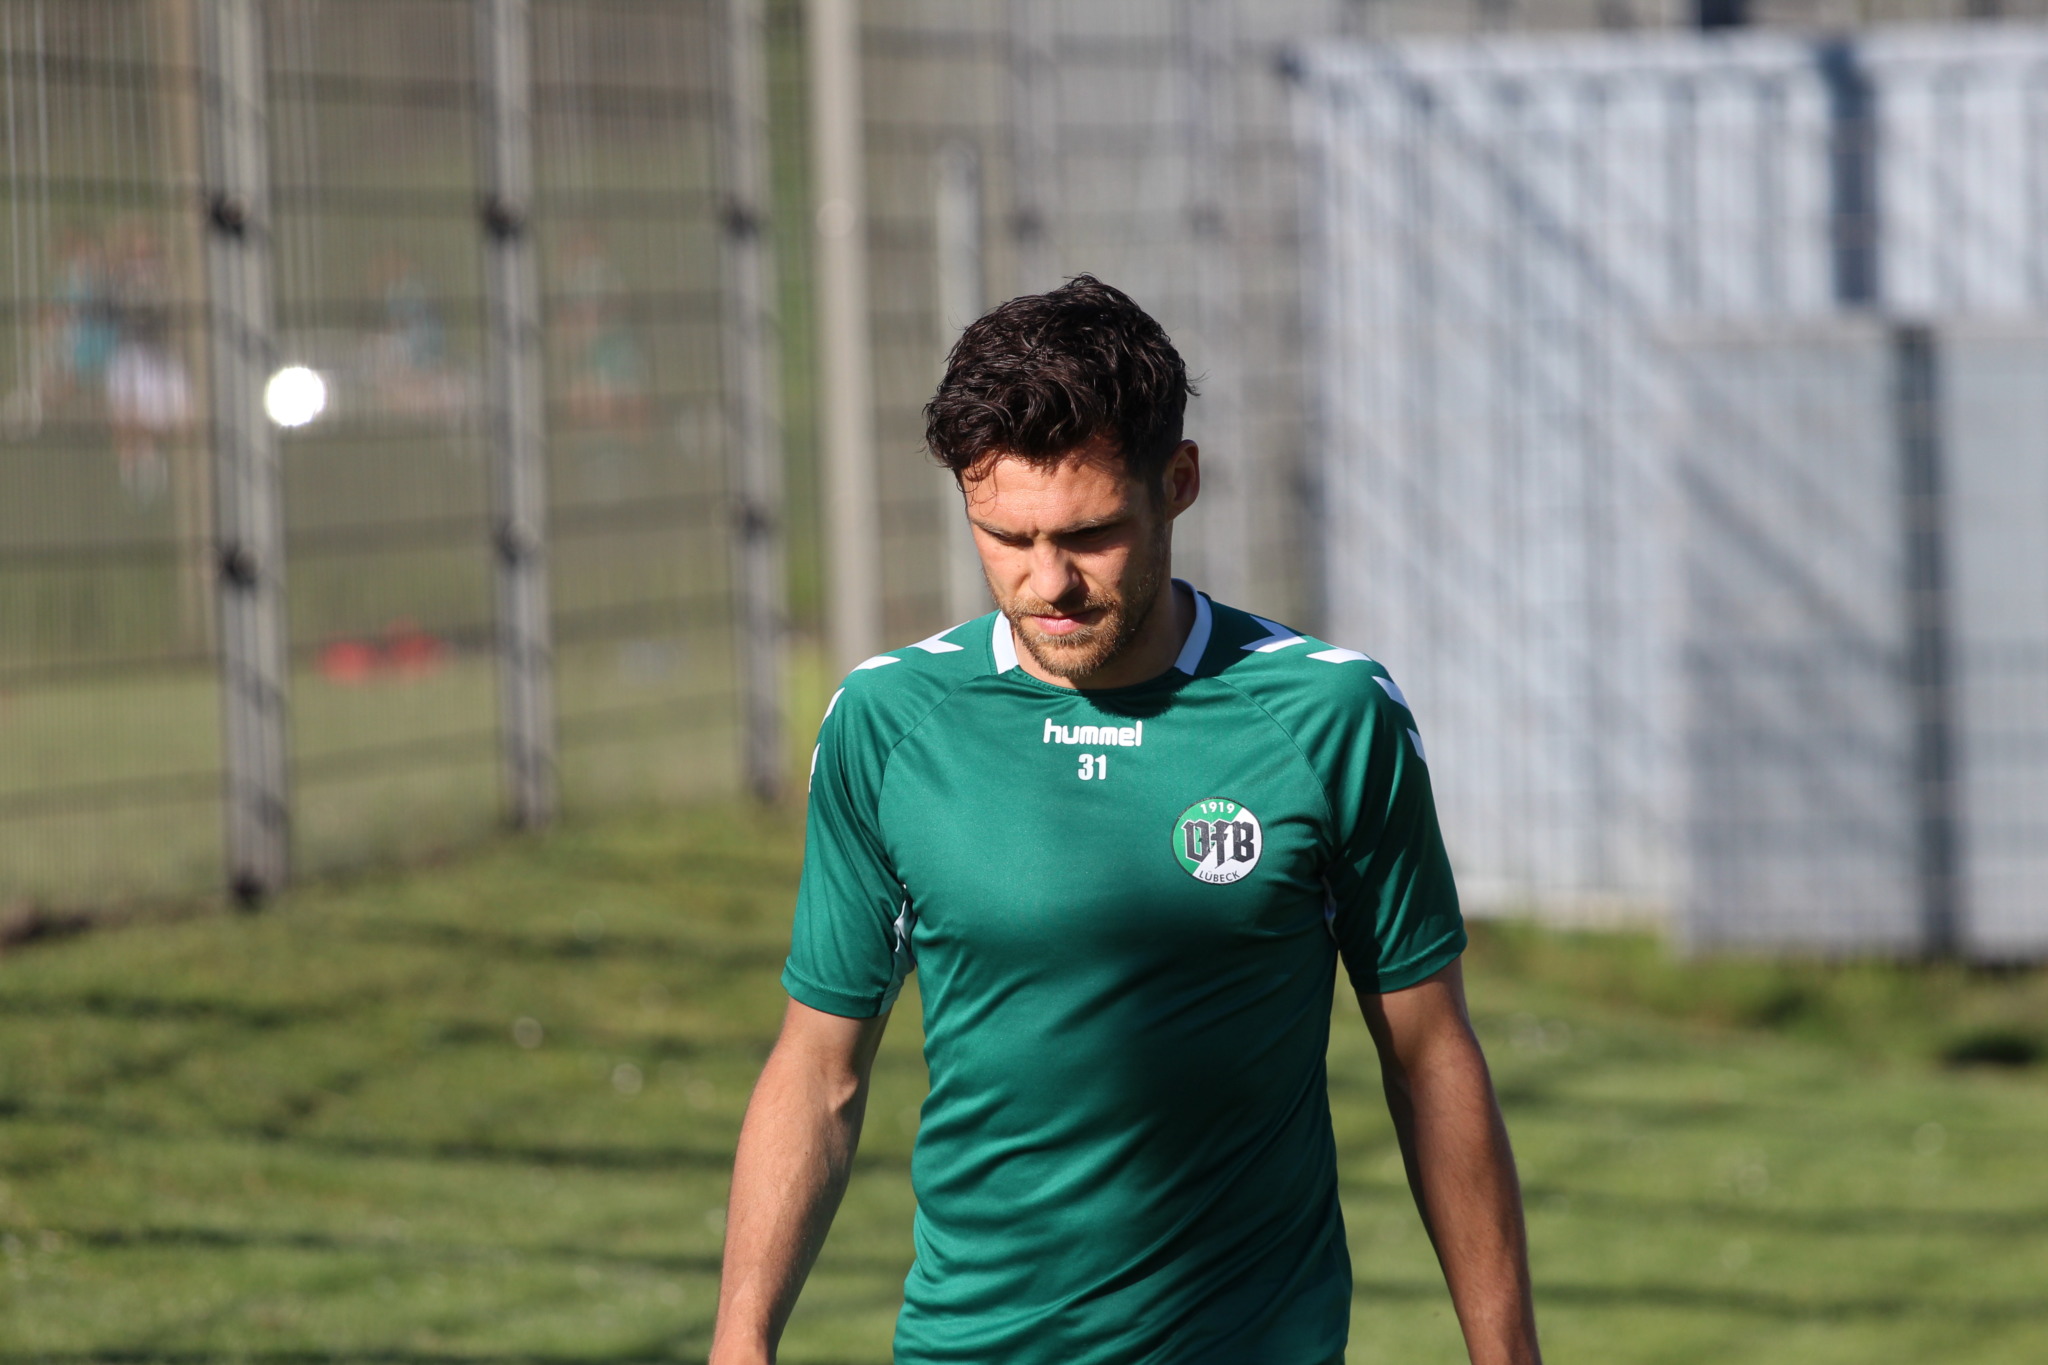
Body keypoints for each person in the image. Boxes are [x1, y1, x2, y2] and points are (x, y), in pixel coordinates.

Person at [712, 276, 1541, 1365]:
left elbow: (1430, 1057)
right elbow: (819, 1067)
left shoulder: (1329, 717)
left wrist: (1506, 1353)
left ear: (1177, 484)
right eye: (1004, 536)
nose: (1045, 582)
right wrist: (738, 1341)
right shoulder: (888, 723)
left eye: (1089, 534)